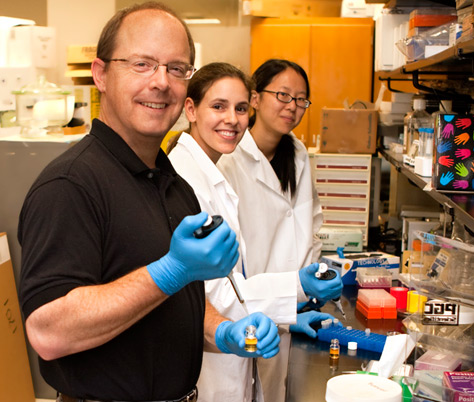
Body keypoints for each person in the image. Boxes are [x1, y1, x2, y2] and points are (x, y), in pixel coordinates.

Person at [17, 3, 279, 402]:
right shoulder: (70, 185)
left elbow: (175, 303)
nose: (161, 82)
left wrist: (221, 331)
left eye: (177, 69)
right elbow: (49, 332)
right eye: (142, 64)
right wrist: (171, 269)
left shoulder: (172, 184)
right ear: (101, 74)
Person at [169, 62, 342, 402]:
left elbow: (232, 282)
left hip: (243, 334)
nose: (232, 119)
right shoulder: (187, 180)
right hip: (213, 358)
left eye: (239, 109)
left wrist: (293, 298)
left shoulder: (210, 173)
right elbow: (213, 294)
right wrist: (295, 289)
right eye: (218, 106)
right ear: (191, 109)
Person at [218, 59, 333, 402]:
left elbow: (310, 219)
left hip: (294, 306)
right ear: (255, 99)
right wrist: (283, 299)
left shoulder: (297, 152)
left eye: (301, 100)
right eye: (283, 95)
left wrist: (314, 280)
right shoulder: (230, 157)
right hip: (251, 307)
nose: (292, 107)